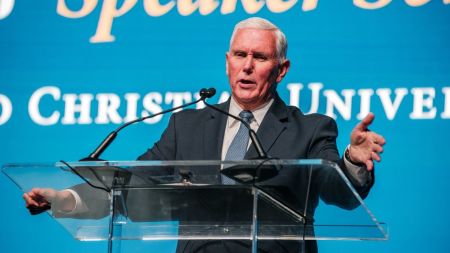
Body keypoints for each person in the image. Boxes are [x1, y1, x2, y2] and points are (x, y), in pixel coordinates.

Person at [23, 17, 385, 252]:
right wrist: (63, 198)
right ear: (227, 61)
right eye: (240, 55)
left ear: (281, 69)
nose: (246, 65)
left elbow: (342, 193)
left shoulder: (310, 128)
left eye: (259, 57)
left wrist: (352, 160)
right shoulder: (187, 127)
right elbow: (129, 185)